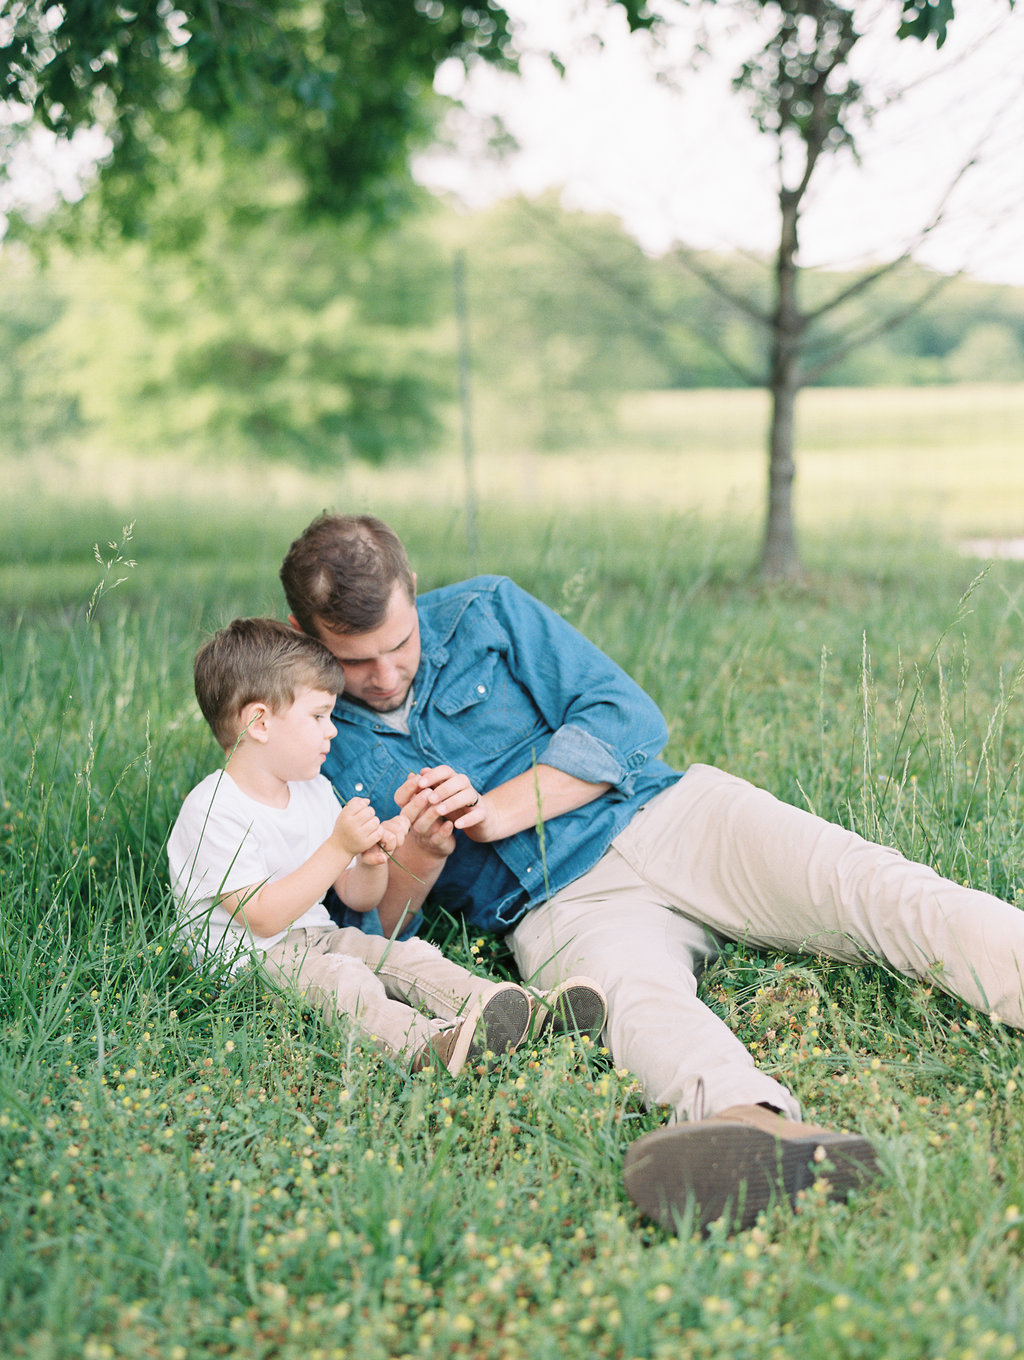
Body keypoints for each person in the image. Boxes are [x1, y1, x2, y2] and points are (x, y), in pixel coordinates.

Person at [279, 514, 1024, 1232]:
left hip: (676, 817)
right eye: (352, 660)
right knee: (634, 1003)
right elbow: (374, 930)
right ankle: (751, 1126)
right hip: (555, 905)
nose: (383, 674)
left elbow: (624, 716)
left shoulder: (489, 610)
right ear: (302, 637)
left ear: (413, 585)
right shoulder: (311, 738)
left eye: (400, 644)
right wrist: (423, 857)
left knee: (879, 890)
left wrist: (497, 811)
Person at [166, 617, 603, 1077]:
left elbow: (358, 896)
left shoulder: (311, 791)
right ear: (258, 723)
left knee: (405, 955)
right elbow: (264, 917)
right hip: (246, 965)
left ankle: (519, 1014)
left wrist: (375, 859)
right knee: (344, 980)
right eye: (318, 716)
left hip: (317, 937)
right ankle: (425, 1046)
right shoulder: (214, 809)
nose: (332, 731)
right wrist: (338, 846)